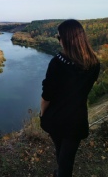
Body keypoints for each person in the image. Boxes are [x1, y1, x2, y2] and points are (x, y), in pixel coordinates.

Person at [40, 19, 100, 177]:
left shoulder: (57, 63)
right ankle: (60, 171)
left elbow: (47, 96)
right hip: (76, 119)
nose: (58, 41)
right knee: (67, 158)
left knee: (61, 152)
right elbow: (81, 91)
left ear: (66, 40)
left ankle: (61, 172)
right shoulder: (94, 64)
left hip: (56, 118)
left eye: (59, 37)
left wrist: (42, 113)